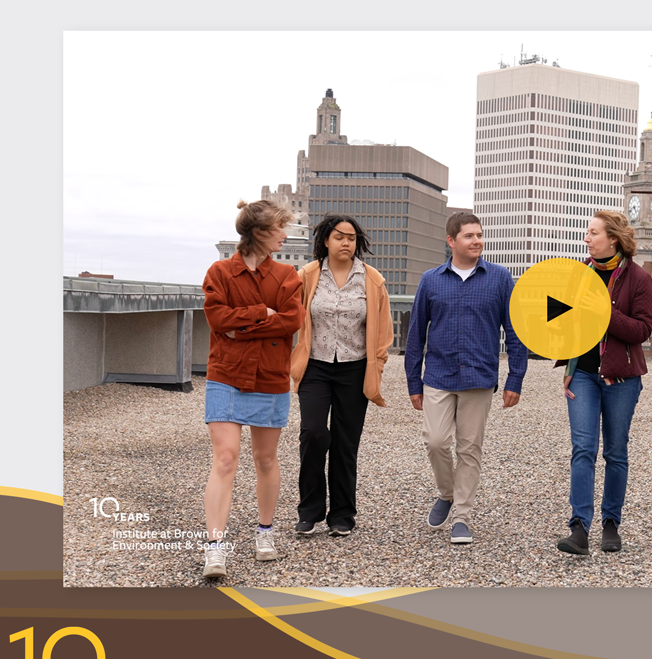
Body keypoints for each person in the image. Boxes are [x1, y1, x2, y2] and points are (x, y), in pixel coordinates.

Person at [404, 211, 527, 545]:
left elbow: (514, 333)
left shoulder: (500, 278)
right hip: (439, 376)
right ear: (451, 241)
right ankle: (445, 493)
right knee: (436, 441)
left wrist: (515, 379)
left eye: (479, 235)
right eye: (469, 236)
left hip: (479, 376)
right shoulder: (431, 280)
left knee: (470, 449)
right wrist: (413, 383)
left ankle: (462, 516)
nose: (477, 241)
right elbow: (415, 336)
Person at [200, 199, 305, 579]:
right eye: (280, 228)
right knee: (225, 458)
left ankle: (265, 532)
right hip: (226, 374)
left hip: (271, 376)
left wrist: (239, 327)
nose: (285, 235)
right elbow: (216, 319)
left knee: (265, 459)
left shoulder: (288, 276)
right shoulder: (220, 272)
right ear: (259, 233)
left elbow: (291, 321)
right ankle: (215, 548)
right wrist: (263, 314)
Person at [556, 210, 652, 555]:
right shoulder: (578, 275)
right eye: (588, 233)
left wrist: (602, 310)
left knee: (616, 452)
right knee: (583, 449)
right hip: (582, 373)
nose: (587, 238)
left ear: (612, 238)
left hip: (622, 377)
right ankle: (579, 527)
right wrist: (566, 363)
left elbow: (642, 330)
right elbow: (563, 323)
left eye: (593, 233)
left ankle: (611, 522)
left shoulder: (639, 278)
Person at [289, 214, 393, 539]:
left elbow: (384, 331)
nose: (345, 242)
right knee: (314, 433)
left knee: (346, 444)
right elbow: (290, 315)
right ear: (325, 241)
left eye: (351, 237)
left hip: (354, 367)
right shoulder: (307, 275)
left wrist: (376, 364)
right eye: (339, 237)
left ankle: (343, 515)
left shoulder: (372, 280)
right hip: (316, 367)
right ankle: (309, 511)